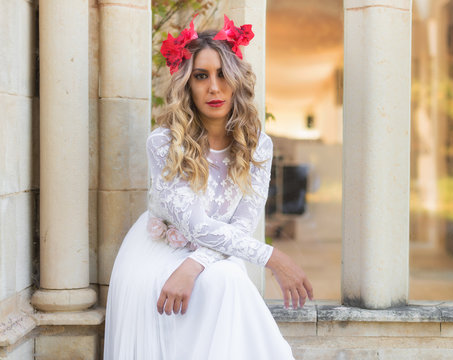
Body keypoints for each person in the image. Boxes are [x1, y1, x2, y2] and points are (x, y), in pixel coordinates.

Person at [103, 16, 313, 360]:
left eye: (222, 74)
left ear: (236, 81)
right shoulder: (163, 143)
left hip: (211, 255)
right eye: (201, 76)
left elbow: (242, 224)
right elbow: (196, 225)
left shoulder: (258, 145)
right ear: (187, 83)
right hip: (156, 252)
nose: (214, 87)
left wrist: (193, 265)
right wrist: (273, 258)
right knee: (228, 278)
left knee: (227, 278)